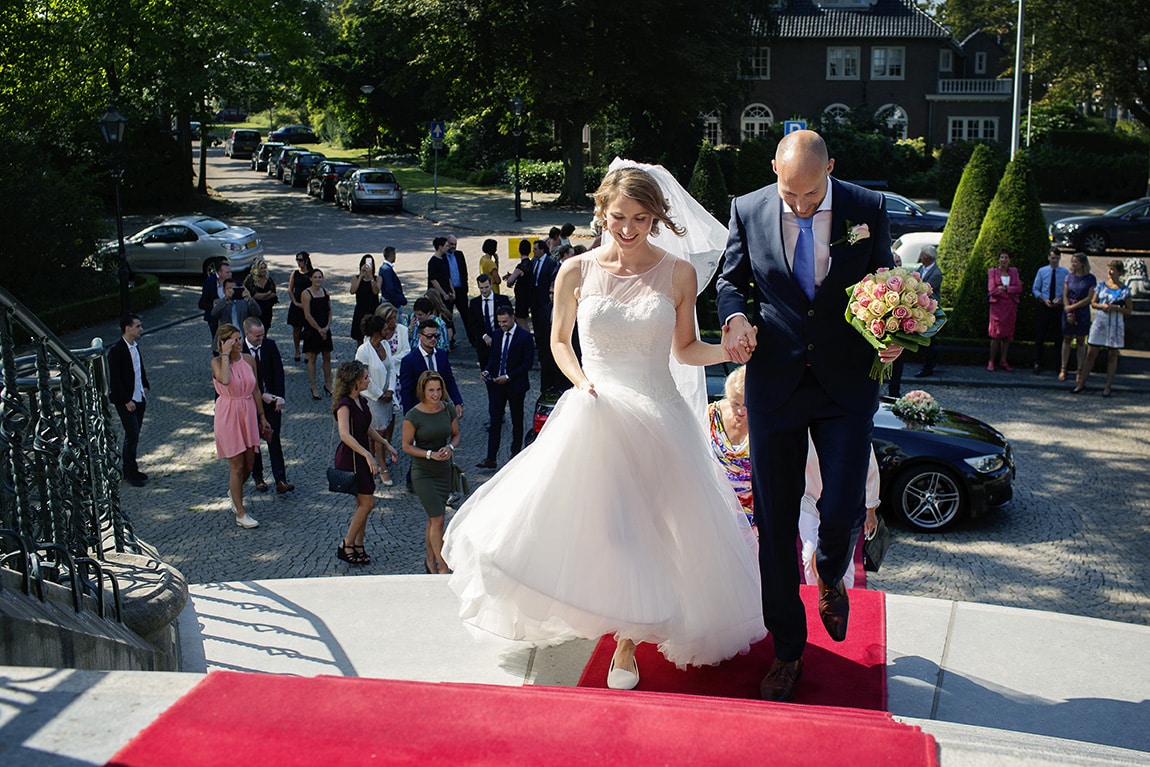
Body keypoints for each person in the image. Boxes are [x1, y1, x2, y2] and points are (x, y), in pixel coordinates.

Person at [444, 165, 765, 691]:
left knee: (650, 529)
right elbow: (559, 342)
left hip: (659, 417)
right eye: (620, 217)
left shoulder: (677, 272)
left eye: (641, 218)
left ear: (656, 218)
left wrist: (729, 351)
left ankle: (626, 643)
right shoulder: (575, 271)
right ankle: (603, 610)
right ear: (602, 213)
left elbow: (684, 350)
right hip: (596, 410)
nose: (630, 228)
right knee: (599, 526)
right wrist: (580, 382)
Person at [716, 129, 902, 702]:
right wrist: (734, 319)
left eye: (810, 194)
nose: (799, 205)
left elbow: (886, 281)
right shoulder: (747, 209)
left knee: (843, 503)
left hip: (845, 384)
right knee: (772, 524)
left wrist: (891, 332)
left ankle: (828, 570)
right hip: (775, 383)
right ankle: (788, 652)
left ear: (832, 170)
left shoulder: (866, 208)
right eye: (788, 193)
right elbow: (730, 280)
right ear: (773, 167)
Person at [333, 360, 397, 565]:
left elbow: (366, 427)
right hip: (352, 456)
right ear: (354, 381)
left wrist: (384, 442)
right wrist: (367, 454)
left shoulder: (361, 400)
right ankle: (347, 543)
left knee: (362, 503)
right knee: (368, 502)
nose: (369, 380)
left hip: (361, 455)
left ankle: (358, 545)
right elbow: (344, 434)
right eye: (365, 377)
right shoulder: (344, 404)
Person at [798, 436, 880, 590]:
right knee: (809, 556)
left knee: (844, 560)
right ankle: (816, 596)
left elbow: (870, 468)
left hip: (844, 503)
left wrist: (871, 509)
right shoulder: (803, 425)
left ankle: (844, 599)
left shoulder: (850, 424)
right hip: (810, 499)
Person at [211, 323, 271, 529]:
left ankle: (233, 492)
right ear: (223, 342)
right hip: (228, 414)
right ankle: (240, 512)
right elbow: (225, 380)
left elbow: (255, 389)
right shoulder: (217, 362)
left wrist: (261, 416)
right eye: (233, 340)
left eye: (238, 339)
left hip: (247, 412)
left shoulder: (248, 360)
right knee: (236, 467)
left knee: (249, 464)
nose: (238, 343)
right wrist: (226, 354)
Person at [402, 370, 460, 574]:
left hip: (443, 471)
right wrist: (429, 454)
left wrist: (449, 448)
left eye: (438, 390)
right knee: (438, 519)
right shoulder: (413, 415)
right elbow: (406, 446)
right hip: (423, 472)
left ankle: (429, 560)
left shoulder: (448, 409)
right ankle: (442, 567)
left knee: (433, 519)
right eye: (431, 390)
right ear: (423, 391)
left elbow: (455, 436)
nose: (435, 394)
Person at [476, 304, 535, 470]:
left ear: (512, 318)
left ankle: (515, 454)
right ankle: (491, 457)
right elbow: (494, 358)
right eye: (499, 321)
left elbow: (527, 363)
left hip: (516, 386)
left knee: (517, 420)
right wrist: (487, 370)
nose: (502, 325)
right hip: (497, 385)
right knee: (494, 420)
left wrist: (509, 376)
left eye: (504, 321)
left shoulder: (524, 337)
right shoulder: (496, 335)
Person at [243, 318, 294, 494]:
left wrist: (279, 396)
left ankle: (280, 479)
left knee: (274, 439)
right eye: (257, 336)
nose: (261, 338)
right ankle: (258, 478)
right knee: (254, 441)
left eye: (263, 334)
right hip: (249, 404)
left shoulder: (270, 346)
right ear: (247, 334)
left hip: (271, 402)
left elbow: (279, 372)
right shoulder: (240, 351)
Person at [1074, 259, 1132, 397]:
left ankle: (1107, 386)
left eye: (1113, 269)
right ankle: (1081, 383)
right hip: (1101, 322)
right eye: (1109, 269)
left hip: (1115, 322)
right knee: (1091, 352)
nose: (1110, 272)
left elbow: (1129, 310)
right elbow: (1094, 303)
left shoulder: (1125, 290)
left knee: (1112, 354)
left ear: (1120, 272)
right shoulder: (1101, 286)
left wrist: (1117, 308)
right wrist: (1103, 306)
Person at [108, 313, 150, 487]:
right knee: (131, 435)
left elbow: (138, 368)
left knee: (135, 435)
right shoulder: (116, 351)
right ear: (128, 328)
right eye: (138, 326)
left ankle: (133, 468)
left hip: (138, 396)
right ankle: (128, 471)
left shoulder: (135, 347)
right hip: (127, 401)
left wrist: (145, 384)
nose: (141, 329)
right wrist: (126, 400)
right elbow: (115, 379)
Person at [355, 314, 397, 487]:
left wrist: (390, 390)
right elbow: (363, 377)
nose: (389, 331)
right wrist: (380, 393)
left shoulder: (385, 345)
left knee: (385, 429)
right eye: (385, 329)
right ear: (377, 332)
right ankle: (382, 468)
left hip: (387, 395)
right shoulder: (363, 351)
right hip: (372, 398)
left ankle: (372, 460)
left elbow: (392, 368)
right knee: (378, 433)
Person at [707, 365, 752, 527]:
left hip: (755, 513)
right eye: (735, 404)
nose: (740, 411)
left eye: (746, 405)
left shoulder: (764, 419)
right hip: (718, 507)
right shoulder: (712, 414)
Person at [399, 318, 464, 417]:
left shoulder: (442, 355)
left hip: (440, 407)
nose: (433, 339)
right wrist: (409, 416)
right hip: (420, 410)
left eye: (436, 336)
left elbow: (449, 380)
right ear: (420, 336)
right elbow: (406, 391)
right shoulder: (409, 361)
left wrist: (458, 402)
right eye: (429, 336)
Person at [527, 239, 561, 391]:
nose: (533, 252)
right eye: (551, 294)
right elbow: (541, 335)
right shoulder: (545, 311)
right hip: (547, 358)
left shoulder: (550, 263)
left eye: (536, 249)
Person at [1061, 253, 1097, 382]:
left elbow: (1089, 298)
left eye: (1075, 262)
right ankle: (1063, 368)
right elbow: (1065, 294)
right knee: (1067, 338)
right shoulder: (1069, 277)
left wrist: (1074, 307)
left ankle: (1080, 369)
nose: (1073, 264)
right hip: (1069, 309)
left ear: (1082, 263)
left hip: (1082, 311)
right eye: (1072, 262)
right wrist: (1068, 309)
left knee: (1081, 340)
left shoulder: (1090, 278)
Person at [1031, 248, 1068, 374]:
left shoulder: (1065, 273)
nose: (1055, 260)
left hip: (1058, 307)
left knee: (1058, 337)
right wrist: (1043, 298)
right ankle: (1037, 362)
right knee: (1040, 335)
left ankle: (1058, 364)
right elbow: (1035, 288)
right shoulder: (1042, 271)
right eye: (1053, 258)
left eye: (1057, 258)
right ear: (1048, 258)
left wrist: (1061, 298)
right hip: (1044, 305)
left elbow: (1067, 290)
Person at [987, 248, 1022, 371]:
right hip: (997, 307)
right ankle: (991, 361)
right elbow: (992, 290)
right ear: (998, 259)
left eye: (1006, 257)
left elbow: (1018, 288)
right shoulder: (993, 272)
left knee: (1007, 336)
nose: (1004, 260)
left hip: (1010, 306)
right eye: (1002, 257)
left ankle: (1003, 360)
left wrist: (1005, 289)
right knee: (996, 335)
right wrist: (1004, 291)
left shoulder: (1014, 272)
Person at [301, 268, 333, 400]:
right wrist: (319, 329)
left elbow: (329, 311)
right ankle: (314, 386)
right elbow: (307, 315)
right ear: (311, 279)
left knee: (327, 357)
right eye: (315, 277)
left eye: (320, 277)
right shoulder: (306, 293)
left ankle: (327, 384)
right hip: (312, 330)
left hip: (325, 328)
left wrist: (326, 327)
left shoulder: (325, 292)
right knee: (312, 358)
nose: (318, 279)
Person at [468, 273, 512, 369]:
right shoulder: (474, 303)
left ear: (491, 285)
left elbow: (510, 321)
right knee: (486, 372)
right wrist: (484, 336)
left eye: (486, 287)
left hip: (501, 341)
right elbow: (472, 324)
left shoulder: (502, 300)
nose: (484, 291)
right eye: (481, 288)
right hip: (483, 344)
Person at [913, 245, 944, 378]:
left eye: (922, 255)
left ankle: (928, 366)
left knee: (929, 339)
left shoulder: (936, 273)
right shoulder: (921, 268)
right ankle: (928, 362)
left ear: (927, 257)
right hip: (921, 308)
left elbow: (926, 289)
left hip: (930, 309)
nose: (921, 257)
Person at [287, 252, 314, 362]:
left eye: (301, 260)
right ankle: (297, 350)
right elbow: (290, 289)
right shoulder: (295, 273)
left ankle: (307, 351)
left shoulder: (311, 274)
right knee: (296, 329)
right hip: (297, 304)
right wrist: (295, 302)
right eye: (297, 260)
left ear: (306, 260)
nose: (299, 262)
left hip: (309, 304)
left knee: (308, 328)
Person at [349, 254, 381, 344]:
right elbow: (352, 291)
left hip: (373, 309)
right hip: (360, 310)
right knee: (360, 339)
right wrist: (360, 277)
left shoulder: (377, 278)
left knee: (374, 337)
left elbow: (376, 291)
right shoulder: (356, 278)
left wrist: (371, 277)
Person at [199, 261, 231, 342]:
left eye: (230, 272)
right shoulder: (210, 284)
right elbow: (202, 303)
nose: (230, 274)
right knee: (217, 342)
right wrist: (214, 306)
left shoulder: (233, 283)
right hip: (215, 320)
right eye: (227, 272)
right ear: (220, 273)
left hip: (230, 318)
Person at [504, 239, 533, 330]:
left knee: (521, 320)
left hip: (522, 297)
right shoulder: (530, 264)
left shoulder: (521, 266)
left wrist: (509, 278)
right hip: (528, 294)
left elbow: (510, 281)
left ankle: (527, 340)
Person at [244, 258, 278, 330]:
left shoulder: (268, 279)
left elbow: (273, 294)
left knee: (266, 327)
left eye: (264, 268)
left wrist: (262, 296)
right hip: (255, 308)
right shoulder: (251, 280)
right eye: (261, 268)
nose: (263, 270)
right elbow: (254, 296)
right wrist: (267, 294)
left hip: (267, 309)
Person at [378, 246, 407, 313]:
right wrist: (398, 300)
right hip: (392, 304)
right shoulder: (387, 270)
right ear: (391, 255)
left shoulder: (384, 268)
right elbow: (389, 288)